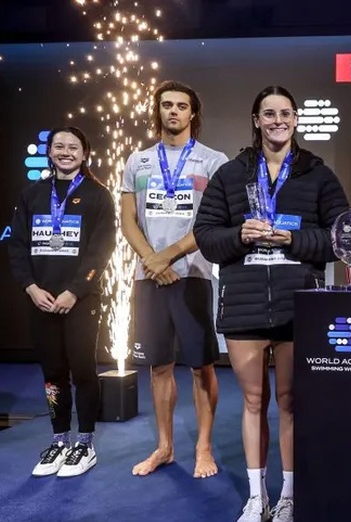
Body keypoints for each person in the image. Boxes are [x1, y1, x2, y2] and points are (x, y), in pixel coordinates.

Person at [194, 85, 349, 522]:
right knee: (253, 402)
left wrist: (293, 241)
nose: (277, 120)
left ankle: (289, 497)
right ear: (256, 120)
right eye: (269, 114)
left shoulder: (318, 174)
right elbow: (206, 236)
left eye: (285, 113)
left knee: (290, 403)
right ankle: (256, 496)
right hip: (244, 301)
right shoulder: (230, 174)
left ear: (296, 119)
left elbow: (341, 237)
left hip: (298, 301)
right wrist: (240, 234)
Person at [120, 80, 229, 479]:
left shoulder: (212, 161)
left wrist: (169, 256)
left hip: (193, 274)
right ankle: (164, 447)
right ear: (158, 111)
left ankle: (203, 447)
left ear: (192, 114)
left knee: (201, 366)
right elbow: (126, 219)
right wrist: (152, 259)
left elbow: (213, 222)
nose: (174, 112)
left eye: (182, 106)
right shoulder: (139, 161)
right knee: (159, 365)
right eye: (167, 105)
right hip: (148, 276)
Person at [8, 126, 116, 478]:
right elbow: (18, 246)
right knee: (52, 374)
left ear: (85, 153)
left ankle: (85, 443)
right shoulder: (31, 194)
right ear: (50, 152)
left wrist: (75, 291)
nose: (65, 152)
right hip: (40, 299)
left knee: (83, 370)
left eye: (73, 147)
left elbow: (101, 251)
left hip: (80, 300)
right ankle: (59, 440)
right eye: (59, 146)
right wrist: (30, 287)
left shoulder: (98, 195)